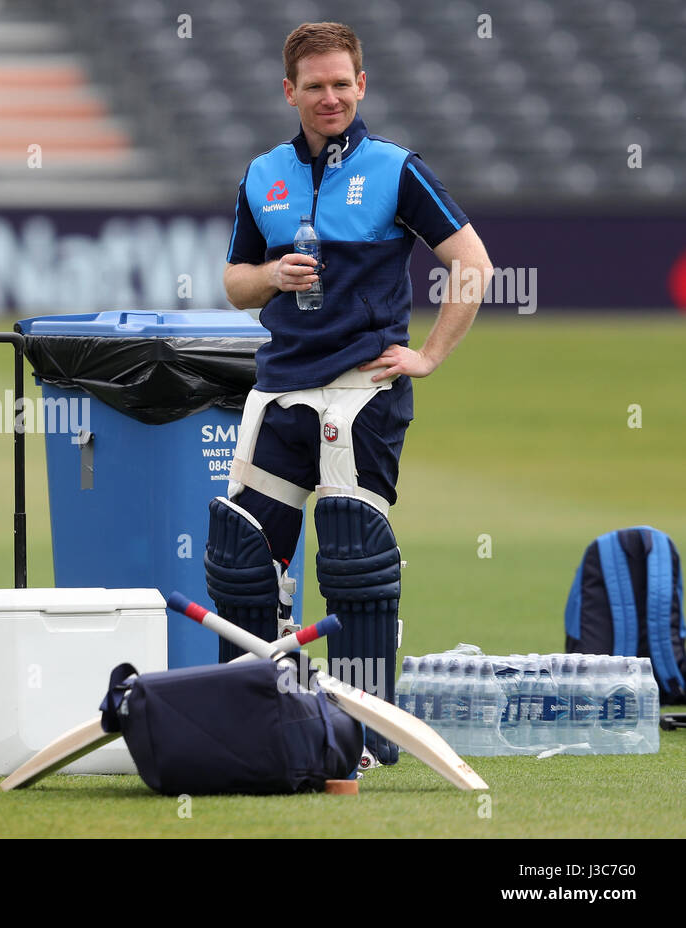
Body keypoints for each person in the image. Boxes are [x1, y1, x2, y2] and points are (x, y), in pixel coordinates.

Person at [211, 21, 492, 765]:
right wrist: (272, 276)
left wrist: (429, 355)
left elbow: (471, 263)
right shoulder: (262, 173)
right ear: (289, 92)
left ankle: (365, 736)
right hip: (278, 388)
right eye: (314, 86)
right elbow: (235, 281)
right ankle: (254, 723)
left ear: (361, 85)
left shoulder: (396, 168)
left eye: (342, 83)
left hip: (362, 392)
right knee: (242, 561)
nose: (329, 97)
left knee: (352, 561)